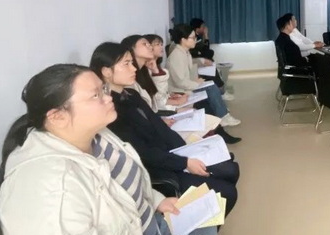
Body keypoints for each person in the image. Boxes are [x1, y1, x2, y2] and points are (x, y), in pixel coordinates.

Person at [0, 64, 217, 235]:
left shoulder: (97, 134)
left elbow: (125, 182)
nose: (108, 97)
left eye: (103, 89)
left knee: (206, 225)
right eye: (95, 96)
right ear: (57, 116)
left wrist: (157, 200)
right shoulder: (53, 190)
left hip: (140, 225)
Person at [91, 43, 241, 217]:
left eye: (132, 63)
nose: (133, 68)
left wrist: (187, 150)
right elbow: (142, 152)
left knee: (230, 168)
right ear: (106, 71)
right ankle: (200, 226)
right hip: (157, 168)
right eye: (126, 64)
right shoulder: (111, 110)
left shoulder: (131, 95)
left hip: (170, 154)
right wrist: (184, 162)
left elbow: (160, 126)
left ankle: (208, 218)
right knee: (228, 191)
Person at [124, 35, 237, 144]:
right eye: (146, 44)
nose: (150, 47)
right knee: (204, 102)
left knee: (207, 97)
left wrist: (169, 95)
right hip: (163, 111)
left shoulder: (147, 69)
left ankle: (219, 133)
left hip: (165, 105)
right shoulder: (133, 79)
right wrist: (175, 105)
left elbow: (155, 96)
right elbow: (152, 105)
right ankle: (218, 132)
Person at [166, 25, 241, 127]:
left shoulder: (184, 52)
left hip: (186, 86)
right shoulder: (177, 56)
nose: (195, 40)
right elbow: (180, 82)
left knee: (211, 84)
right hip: (179, 91)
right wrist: (196, 83)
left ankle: (222, 112)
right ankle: (223, 116)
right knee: (211, 87)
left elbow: (189, 63)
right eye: (193, 38)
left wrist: (201, 61)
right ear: (183, 40)